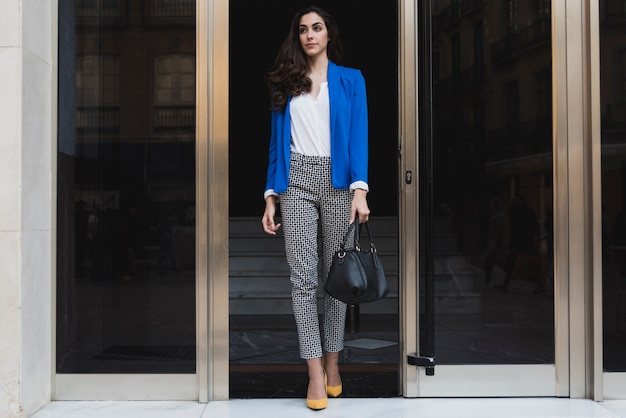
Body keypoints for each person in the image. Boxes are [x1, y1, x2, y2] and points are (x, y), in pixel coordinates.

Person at [261, 5, 370, 410]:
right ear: (297, 36)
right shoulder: (283, 83)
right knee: (303, 279)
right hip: (297, 183)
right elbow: (276, 146)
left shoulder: (351, 80)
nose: (310, 35)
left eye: (317, 28)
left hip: (340, 182)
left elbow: (358, 136)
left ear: (328, 35)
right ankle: (314, 376)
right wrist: (271, 195)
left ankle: (333, 363)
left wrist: (360, 191)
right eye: (303, 29)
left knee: (336, 279)